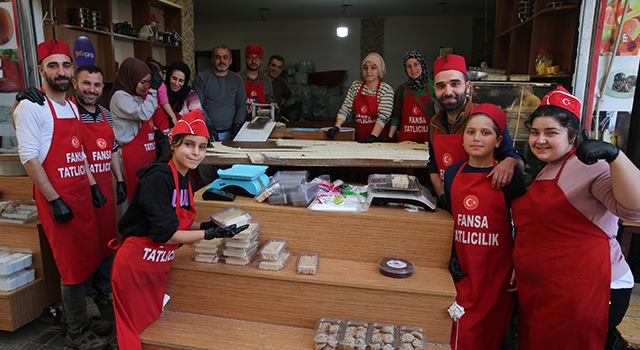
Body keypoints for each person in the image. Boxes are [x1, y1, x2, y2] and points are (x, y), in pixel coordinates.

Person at [511, 86, 640, 349]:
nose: (539, 140)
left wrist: (615, 157)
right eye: (535, 132)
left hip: (585, 288)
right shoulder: (549, 168)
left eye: (551, 132)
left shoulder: (591, 166)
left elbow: (633, 208)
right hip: (547, 288)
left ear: (572, 137)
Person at [110, 109, 249, 350]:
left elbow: (179, 224)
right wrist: (208, 234)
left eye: (202, 147)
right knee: (134, 331)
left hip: (157, 266)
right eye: (189, 144)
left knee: (151, 328)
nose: (196, 153)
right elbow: (166, 233)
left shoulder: (187, 179)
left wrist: (208, 226)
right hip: (136, 265)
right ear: (173, 143)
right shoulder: (159, 179)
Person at [13, 40, 110, 350]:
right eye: (53, 65)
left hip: (80, 194)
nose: (61, 71)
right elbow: (29, 158)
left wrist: (93, 186)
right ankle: (77, 332)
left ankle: (77, 316)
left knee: (85, 259)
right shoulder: (31, 106)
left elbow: (78, 152)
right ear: (41, 70)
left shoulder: (69, 105)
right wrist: (54, 199)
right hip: (58, 197)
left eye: (66, 65)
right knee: (70, 267)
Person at [443, 104, 526, 350]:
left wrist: (519, 264)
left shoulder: (511, 177)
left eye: (485, 133)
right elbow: (450, 217)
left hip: (496, 272)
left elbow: (523, 225)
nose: (476, 138)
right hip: (462, 268)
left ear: (499, 140)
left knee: (484, 337)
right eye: (470, 132)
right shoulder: (451, 173)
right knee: (455, 332)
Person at [428, 54, 524, 208]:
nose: (448, 92)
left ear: (467, 86)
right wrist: (443, 197)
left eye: (455, 84)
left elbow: (512, 157)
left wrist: (511, 162)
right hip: (450, 202)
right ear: (435, 90)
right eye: (441, 86)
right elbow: (433, 166)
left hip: (485, 203)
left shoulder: (486, 118)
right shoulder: (434, 123)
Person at [110, 57, 162, 202]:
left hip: (143, 152)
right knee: (134, 197)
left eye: (148, 82)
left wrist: (155, 131)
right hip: (129, 154)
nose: (146, 86)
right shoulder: (120, 97)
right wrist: (152, 92)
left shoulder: (134, 96)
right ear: (130, 78)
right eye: (142, 82)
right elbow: (144, 113)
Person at [192, 44, 246, 186]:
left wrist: (237, 124)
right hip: (205, 134)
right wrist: (208, 124)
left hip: (230, 136)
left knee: (229, 176)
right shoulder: (202, 78)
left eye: (225, 57)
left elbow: (241, 104)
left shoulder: (237, 79)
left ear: (230, 61)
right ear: (212, 59)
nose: (221, 60)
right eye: (218, 57)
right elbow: (197, 106)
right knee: (206, 175)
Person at [326, 52, 394, 142]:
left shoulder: (386, 90)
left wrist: (373, 137)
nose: (368, 71)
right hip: (360, 139)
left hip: (380, 140)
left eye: (373, 68)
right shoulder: (356, 86)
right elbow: (346, 108)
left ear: (380, 70)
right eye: (365, 68)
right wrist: (337, 126)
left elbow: (383, 117)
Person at [386, 50, 433, 143]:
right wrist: (389, 137)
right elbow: (396, 115)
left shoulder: (434, 87)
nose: (413, 69)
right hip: (406, 143)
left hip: (429, 143)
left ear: (422, 65)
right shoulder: (401, 90)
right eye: (409, 66)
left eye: (416, 64)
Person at [240, 44, 274, 121]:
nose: (254, 61)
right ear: (245, 59)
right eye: (250, 57)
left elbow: (270, 104)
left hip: (262, 122)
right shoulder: (237, 78)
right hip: (241, 124)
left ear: (261, 61)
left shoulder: (266, 80)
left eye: (257, 58)